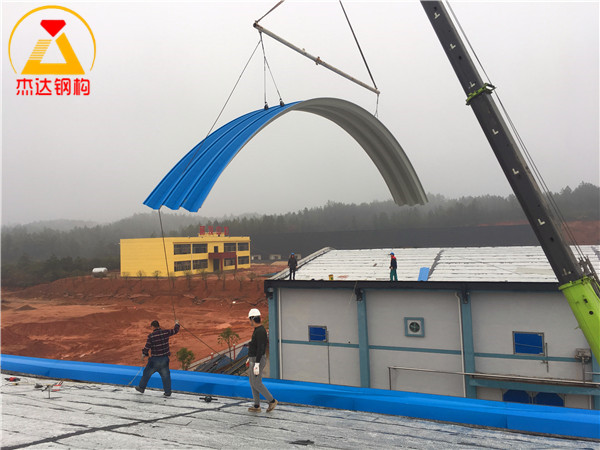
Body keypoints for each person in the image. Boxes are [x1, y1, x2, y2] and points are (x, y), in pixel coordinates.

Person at [135, 319, 180, 397]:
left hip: (154, 360)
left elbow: (147, 347)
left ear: (152, 327)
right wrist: (177, 324)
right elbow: (175, 330)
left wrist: (144, 354)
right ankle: (167, 392)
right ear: (159, 326)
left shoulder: (151, 336)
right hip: (164, 359)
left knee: (147, 373)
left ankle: (141, 388)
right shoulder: (166, 332)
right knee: (166, 376)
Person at [247, 308, 277, 412]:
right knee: (252, 382)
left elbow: (261, 348)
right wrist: (249, 358)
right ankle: (256, 406)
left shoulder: (260, 331)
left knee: (257, 383)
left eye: (249, 319)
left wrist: (256, 364)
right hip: (254, 359)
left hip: (257, 360)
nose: (249, 321)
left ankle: (272, 401)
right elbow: (255, 347)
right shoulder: (257, 330)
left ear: (252, 319)